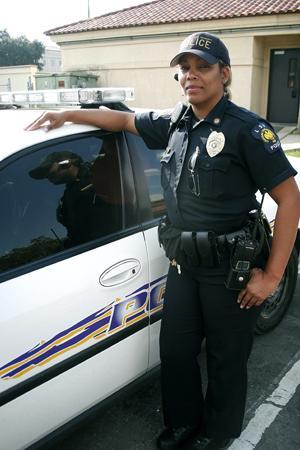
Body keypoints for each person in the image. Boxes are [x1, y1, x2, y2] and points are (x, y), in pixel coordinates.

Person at [26, 32, 300, 449]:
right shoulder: (174, 122)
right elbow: (120, 120)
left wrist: (273, 275)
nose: (191, 76)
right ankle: (183, 424)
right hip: (184, 266)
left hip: (230, 271)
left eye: (202, 67)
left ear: (224, 74)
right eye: (184, 68)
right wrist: (66, 115)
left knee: (227, 360)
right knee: (175, 353)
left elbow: (289, 199)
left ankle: (217, 433)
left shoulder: (247, 130)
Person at [29, 150, 120, 247]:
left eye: (48, 169)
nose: (46, 176)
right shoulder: (68, 193)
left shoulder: (99, 177)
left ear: (66, 164)